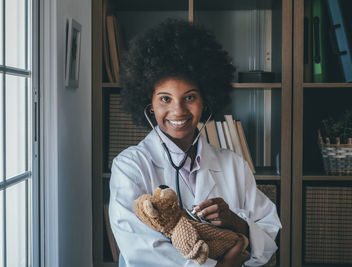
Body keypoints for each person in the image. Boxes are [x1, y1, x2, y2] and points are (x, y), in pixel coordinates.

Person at [109, 19, 281, 267]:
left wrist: (236, 222)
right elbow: (140, 250)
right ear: (149, 105)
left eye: (189, 97)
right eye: (165, 99)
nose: (178, 111)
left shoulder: (233, 164)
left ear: (206, 101)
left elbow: (269, 231)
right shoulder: (130, 166)